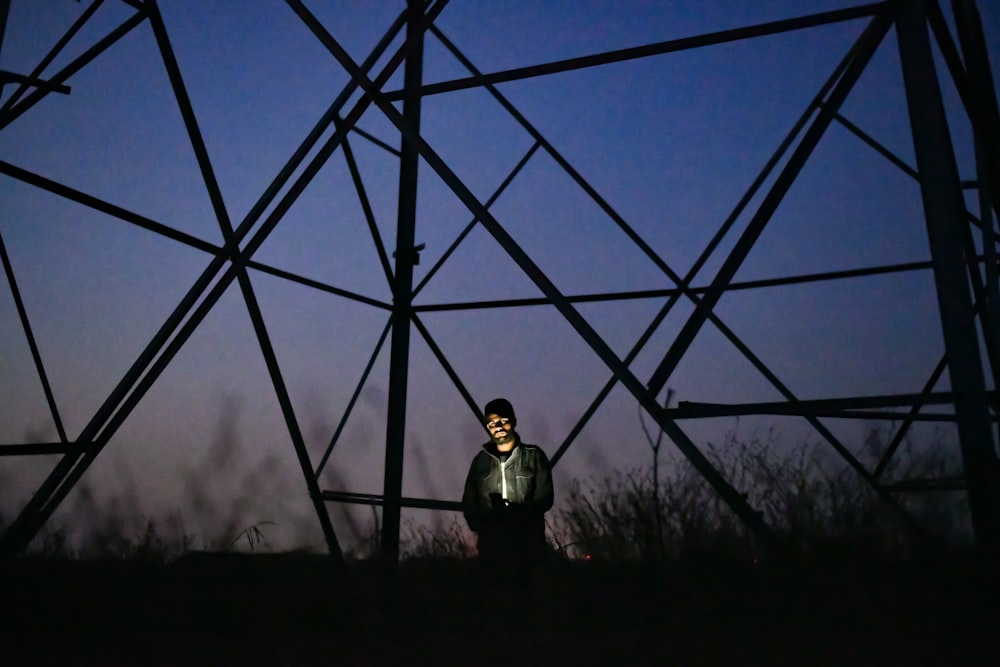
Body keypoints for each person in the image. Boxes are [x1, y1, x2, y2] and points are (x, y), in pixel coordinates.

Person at [462, 398, 554, 566]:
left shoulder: (534, 456)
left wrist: (518, 512)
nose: (498, 427)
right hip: (491, 548)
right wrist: (483, 526)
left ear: (514, 421)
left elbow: (545, 496)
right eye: (491, 423)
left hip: (528, 548)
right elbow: (469, 501)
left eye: (503, 421)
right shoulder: (480, 461)